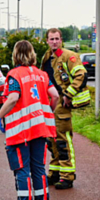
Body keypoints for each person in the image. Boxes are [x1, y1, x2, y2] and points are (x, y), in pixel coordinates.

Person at [0, 40, 59, 200]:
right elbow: (54, 95)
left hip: (20, 131)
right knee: (39, 169)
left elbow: (14, 98)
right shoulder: (42, 74)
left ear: (15, 55)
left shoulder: (14, 75)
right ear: (32, 54)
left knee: (22, 171)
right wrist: (48, 110)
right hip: (40, 128)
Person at [39, 28, 89, 189]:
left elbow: (81, 75)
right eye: (51, 39)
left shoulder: (68, 56)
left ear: (61, 40)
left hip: (62, 103)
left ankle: (68, 176)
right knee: (51, 141)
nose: (54, 41)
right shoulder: (47, 57)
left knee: (63, 141)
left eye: (57, 39)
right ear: (47, 41)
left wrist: (68, 94)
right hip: (49, 104)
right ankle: (54, 173)